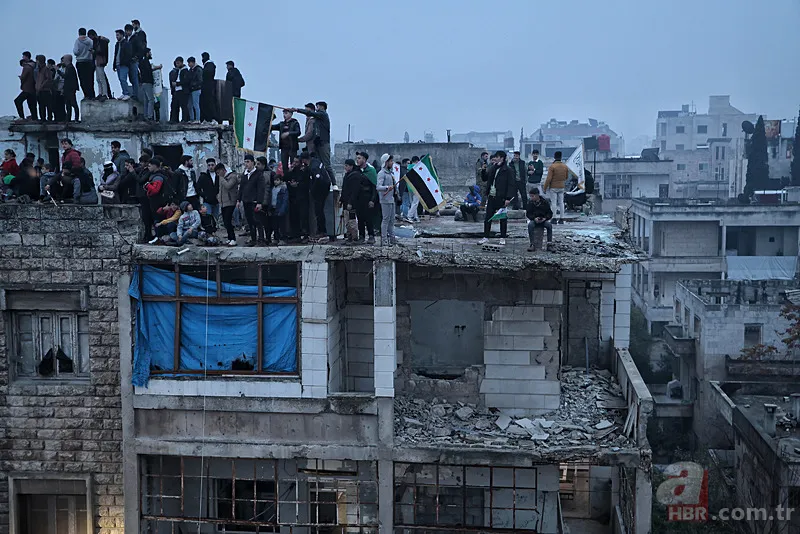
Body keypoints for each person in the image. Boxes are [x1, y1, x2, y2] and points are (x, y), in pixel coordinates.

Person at [478, 150, 515, 246]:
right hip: (491, 196)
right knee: (488, 218)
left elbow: (511, 185)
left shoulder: (508, 170)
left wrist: (508, 198)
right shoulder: (493, 168)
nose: (495, 158)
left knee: (502, 218)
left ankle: (502, 237)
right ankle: (486, 236)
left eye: (497, 157)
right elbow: (485, 178)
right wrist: (483, 170)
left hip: (501, 197)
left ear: (502, 158)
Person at [291, 101, 334, 184]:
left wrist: (297, 110)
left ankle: (333, 183)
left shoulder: (322, 115)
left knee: (326, 164)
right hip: (318, 144)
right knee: (317, 164)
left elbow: (309, 134)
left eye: (317, 107)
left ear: (322, 107)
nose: (317, 109)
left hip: (323, 144)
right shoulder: (315, 119)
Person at [238, 154, 265, 246]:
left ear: (252, 163)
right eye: (245, 162)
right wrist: (239, 199)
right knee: (250, 221)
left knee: (257, 220)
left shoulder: (258, 174)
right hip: (246, 201)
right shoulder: (244, 174)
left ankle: (261, 239)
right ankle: (253, 239)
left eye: (248, 162)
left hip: (254, 201)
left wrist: (259, 202)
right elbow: (241, 188)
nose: (246, 164)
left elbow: (261, 189)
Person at [309, 153, 333, 243]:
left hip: (320, 192)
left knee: (319, 211)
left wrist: (313, 190)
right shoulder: (318, 162)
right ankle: (322, 231)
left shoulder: (314, 167)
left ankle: (322, 231)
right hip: (325, 189)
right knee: (319, 211)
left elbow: (318, 179)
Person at [287, 155, 311, 242]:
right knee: (294, 217)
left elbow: (307, 183)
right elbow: (285, 179)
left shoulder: (304, 171)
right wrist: (289, 172)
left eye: (297, 162)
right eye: (294, 162)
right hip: (293, 197)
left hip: (302, 197)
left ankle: (305, 235)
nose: (295, 164)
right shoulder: (292, 171)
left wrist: (298, 184)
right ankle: (295, 235)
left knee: (303, 217)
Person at [215, 163, 240, 246]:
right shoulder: (222, 178)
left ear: (223, 170)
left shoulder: (232, 176)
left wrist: (221, 178)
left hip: (230, 202)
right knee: (225, 222)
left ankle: (233, 238)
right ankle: (229, 238)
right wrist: (219, 197)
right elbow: (220, 189)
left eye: (219, 172)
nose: (218, 175)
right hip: (223, 202)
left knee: (228, 221)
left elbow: (228, 186)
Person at [271, 109, 301, 173]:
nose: (284, 115)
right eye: (284, 113)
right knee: (284, 165)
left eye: (286, 113)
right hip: (284, 148)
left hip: (292, 147)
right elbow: (272, 127)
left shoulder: (295, 123)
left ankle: (294, 179)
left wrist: (288, 133)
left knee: (294, 164)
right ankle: (286, 179)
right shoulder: (281, 124)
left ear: (291, 114)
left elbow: (298, 132)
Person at [542, 150, 568, 224]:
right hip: (561, 186)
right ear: (561, 157)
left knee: (553, 203)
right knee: (561, 202)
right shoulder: (565, 166)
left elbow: (549, 179)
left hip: (553, 187)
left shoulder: (552, 166)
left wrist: (545, 188)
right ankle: (562, 218)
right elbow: (566, 177)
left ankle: (554, 218)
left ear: (554, 157)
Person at [376, 154, 397, 246]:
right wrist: (387, 187)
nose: (392, 163)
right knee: (385, 220)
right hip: (385, 200)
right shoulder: (381, 173)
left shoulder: (390, 173)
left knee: (392, 221)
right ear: (386, 162)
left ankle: (392, 239)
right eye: (391, 161)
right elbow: (378, 187)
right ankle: (384, 240)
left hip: (391, 199)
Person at [526, 187, 554, 252]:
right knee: (530, 225)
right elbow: (528, 213)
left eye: (532, 196)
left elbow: (549, 213)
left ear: (537, 195)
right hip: (534, 220)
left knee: (549, 225)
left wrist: (545, 218)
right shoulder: (530, 203)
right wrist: (534, 218)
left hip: (543, 220)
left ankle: (549, 244)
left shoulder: (544, 202)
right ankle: (532, 244)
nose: (531, 198)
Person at [87, 29, 110, 100]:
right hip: (97, 61)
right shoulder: (96, 41)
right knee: (98, 79)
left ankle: (104, 94)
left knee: (101, 78)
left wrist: (95, 51)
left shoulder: (101, 40)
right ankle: (100, 93)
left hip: (100, 61)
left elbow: (103, 51)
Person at [73, 28, 95, 100]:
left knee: (82, 80)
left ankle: (86, 95)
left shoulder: (77, 41)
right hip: (89, 61)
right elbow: (93, 49)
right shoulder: (90, 41)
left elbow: (76, 52)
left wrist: (80, 53)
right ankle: (92, 95)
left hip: (80, 62)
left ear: (79, 33)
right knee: (90, 79)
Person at [268, 173, 288, 245]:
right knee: (274, 225)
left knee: (282, 225)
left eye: (277, 180)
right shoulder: (273, 189)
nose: (275, 182)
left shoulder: (283, 189)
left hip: (280, 209)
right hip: (273, 208)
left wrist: (282, 210)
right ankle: (276, 238)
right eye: (274, 180)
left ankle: (283, 238)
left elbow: (285, 200)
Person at [128, 20, 146, 99]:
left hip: (138, 56)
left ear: (137, 25)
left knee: (138, 72)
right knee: (134, 74)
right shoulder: (134, 35)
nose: (133, 26)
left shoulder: (141, 33)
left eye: (134, 25)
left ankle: (139, 85)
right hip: (134, 56)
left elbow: (142, 45)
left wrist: (138, 55)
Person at [138, 49, 158, 120]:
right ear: (147, 53)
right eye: (150, 53)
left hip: (143, 83)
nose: (151, 54)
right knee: (151, 99)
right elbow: (148, 70)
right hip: (147, 82)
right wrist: (156, 68)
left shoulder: (141, 62)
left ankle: (146, 116)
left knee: (146, 100)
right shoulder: (146, 62)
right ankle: (150, 116)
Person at [113, 29, 133, 100]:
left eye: (118, 35)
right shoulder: (117, 44)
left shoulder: (126, 43)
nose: (116, 37)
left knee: (123, 79)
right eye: (116, 35)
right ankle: (124, 93)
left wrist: (125, 62)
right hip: (118, 64)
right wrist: (114, 65)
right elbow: (115, 55)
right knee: (120, 79)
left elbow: (129, 54)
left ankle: (127, 93)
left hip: (124, 65)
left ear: (122, 35)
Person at [200, 52, 218, 122]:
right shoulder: (209, 65)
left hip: (208, 85)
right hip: (207, 85)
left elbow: (208, 73)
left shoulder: (209, 64)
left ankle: (211, 117)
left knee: (209, 101)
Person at [34, 55, 53, 121]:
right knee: (41, 106)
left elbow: (48, 79)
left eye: (37, 60)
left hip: (45, 90)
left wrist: (41, 86)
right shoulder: (38, 69)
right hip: (39, 91)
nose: (36, 62)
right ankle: (43, 119)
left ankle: (49, 119)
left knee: (48, 106)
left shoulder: (46, 69)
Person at [171, 57, 190, 122]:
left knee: (184, 106)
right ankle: (175, 119)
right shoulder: (178, 70)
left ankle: (185, 119)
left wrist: (177, 83)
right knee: (175, 105)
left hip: (183, 90)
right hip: (177, 90)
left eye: (178, 63)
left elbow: (186, 81)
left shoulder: (185, 71)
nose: (177, 65)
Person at [61, 55, 80, 121]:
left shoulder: (70, 67)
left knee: (73, 104)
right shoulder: (68, 67)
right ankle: (68, 119)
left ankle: (76, 119)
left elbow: (66, 76)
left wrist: (58, 71)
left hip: (70, 89)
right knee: (68, 105)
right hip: (68, 89)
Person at [187, 57, 202, 122]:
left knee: (196, 105)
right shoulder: (190, 70)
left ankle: (198, 119)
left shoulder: (198, 69)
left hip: (196, 89)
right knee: (189, 105)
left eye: (189, 63)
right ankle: (192, 119)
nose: (188, 64)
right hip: (191, 89)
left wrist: (193, 85)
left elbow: (200, 80)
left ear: (193, 62)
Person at [406, 156, 421, 222]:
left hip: (409, 187)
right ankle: (409, 216)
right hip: (416, 187)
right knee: (415, 203)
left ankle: (415, 216)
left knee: (412, 202)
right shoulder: (417, 168)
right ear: (417, 161)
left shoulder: (408, 167)